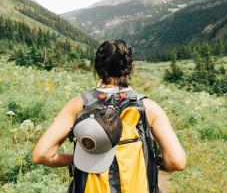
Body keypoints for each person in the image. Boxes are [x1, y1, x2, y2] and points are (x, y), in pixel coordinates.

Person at [32, 38, 186, 170]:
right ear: (131, 67)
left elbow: (42, 155)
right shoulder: (148, 107)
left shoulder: (78, 104)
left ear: (97, 67)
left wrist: (78, 160)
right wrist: (152, 163)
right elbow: (177, 162)